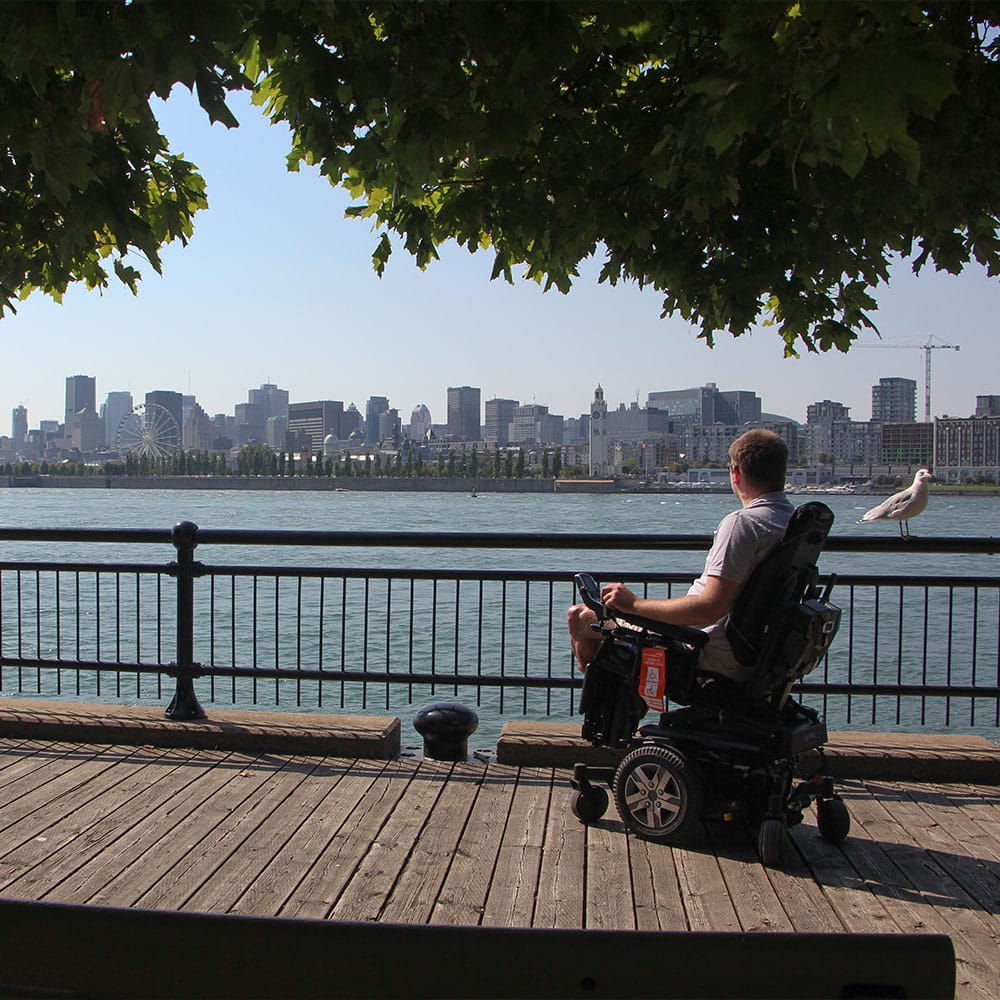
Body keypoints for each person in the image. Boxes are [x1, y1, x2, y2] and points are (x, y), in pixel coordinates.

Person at [567, 428, 794, 685]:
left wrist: (632, 605)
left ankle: (602, 715)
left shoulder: (744, 524)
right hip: (762, 650)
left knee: (581, 617)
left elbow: (709, 610)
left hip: (708, 646)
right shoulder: (792, 522)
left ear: (736, 473)